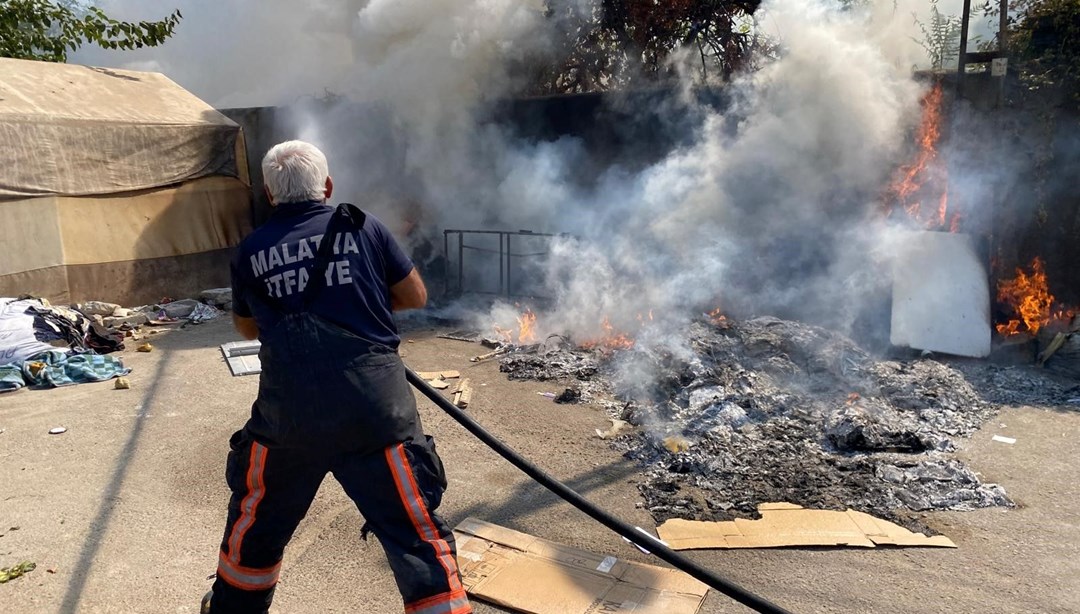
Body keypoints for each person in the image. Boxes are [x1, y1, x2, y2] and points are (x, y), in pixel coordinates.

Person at [204, 140, 470, 614]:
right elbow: (415, 296)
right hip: (374, 412)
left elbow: (248, 326)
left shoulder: (250, 250)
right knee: (415, 535)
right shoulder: (363, 227)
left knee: (257, 525)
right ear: (326, 186)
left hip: (288, 420)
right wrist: (358, 305)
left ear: (269, 194)